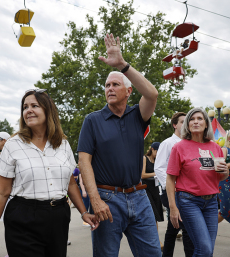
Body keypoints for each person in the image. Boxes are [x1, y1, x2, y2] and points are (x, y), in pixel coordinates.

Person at [0, 89, 98, 257]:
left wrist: (84, 212)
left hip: (58, 217)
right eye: (25, 107)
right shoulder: (13, 145)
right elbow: (1, 192)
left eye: (34, 106)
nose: (28, 110)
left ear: (48, 110)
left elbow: (70, 183)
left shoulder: (63, 144)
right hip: (23, 218)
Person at [77, 33, 160, 257]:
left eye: (115, 84)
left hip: (139, 197)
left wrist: (122, 65)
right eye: (106, 85)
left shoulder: (137, 115)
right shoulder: (92, 120)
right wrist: (95, 200)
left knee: (153, 254)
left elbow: (152, 94)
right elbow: (84, 161)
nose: (110, 88)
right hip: (107, 199)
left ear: (129, 91)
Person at [166, 108, 229, 257]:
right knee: (204, 249)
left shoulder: (215, 147)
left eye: (200, 118)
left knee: (208, 250)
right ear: (187, 125)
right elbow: (170, 179)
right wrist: (173, 207)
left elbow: (220, 176)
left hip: (212, 202)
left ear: (206, 124)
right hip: (188, 202)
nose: (195, 121)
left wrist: (225, 171)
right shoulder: (179, 147)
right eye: (192, 119)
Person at [154, 112, 195, 257]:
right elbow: (159, 168)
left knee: (173, 228)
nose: (185, 124)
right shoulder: (167, 143)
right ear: (174, 125)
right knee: (186, 226)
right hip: (172, 192)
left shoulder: (191, 143)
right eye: (182, 121)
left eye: (187, 121)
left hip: (188, 191)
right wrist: (172, 186)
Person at [142, 142, 165, 249]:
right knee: (153, 215)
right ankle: (157, 241)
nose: (159, 154)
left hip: (155, 189)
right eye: (157, 151)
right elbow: (142, 175)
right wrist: (155, 173)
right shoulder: (144, 158)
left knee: (155, 214)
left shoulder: (157, 161)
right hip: (146, 190)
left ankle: (151, 239)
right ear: (152, 149)